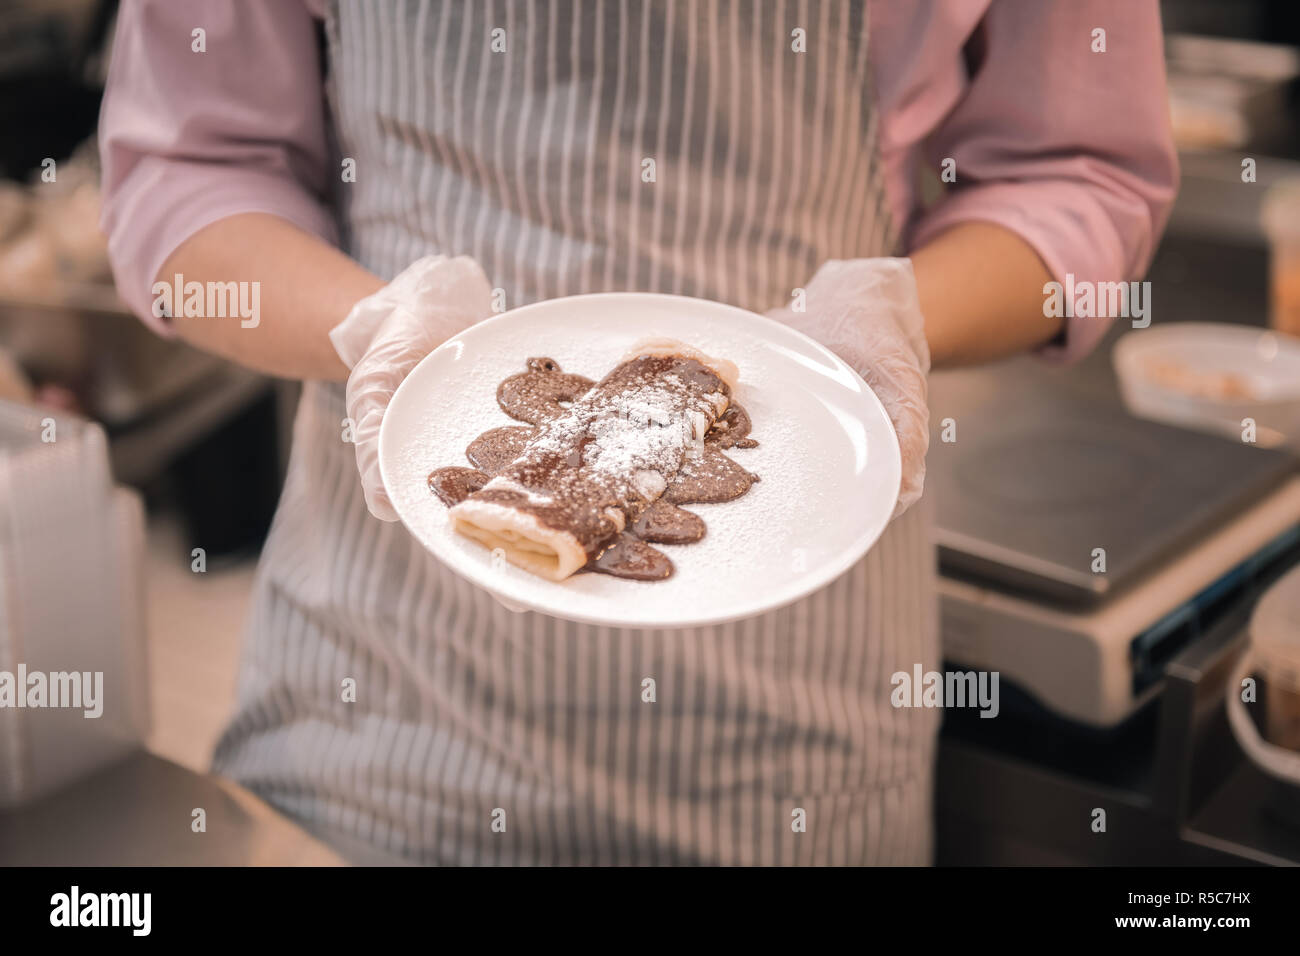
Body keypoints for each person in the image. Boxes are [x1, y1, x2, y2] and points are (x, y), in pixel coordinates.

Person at [100, 0, 1177, 865]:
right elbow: (186, 169)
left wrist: (898, 316)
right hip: (380, 684)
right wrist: (371, 327)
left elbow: (1077, 171)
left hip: (795, 708)